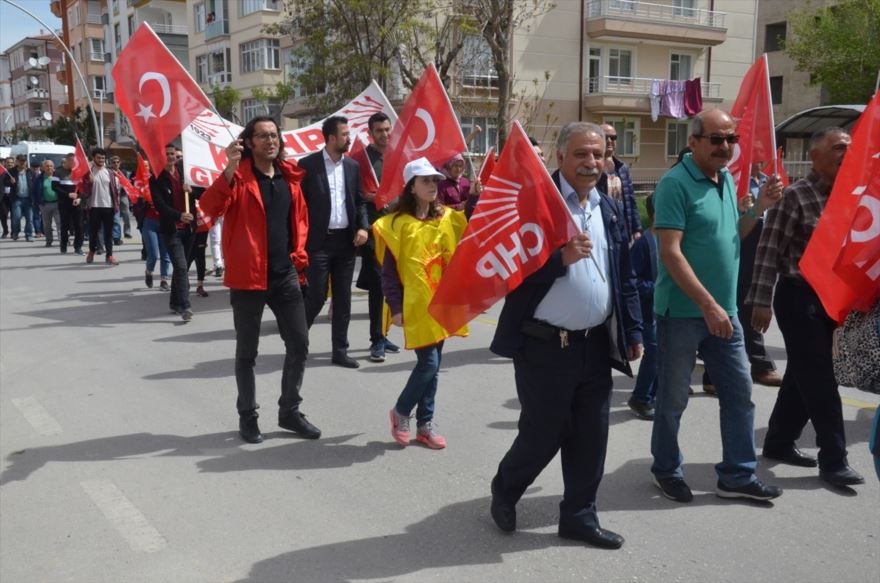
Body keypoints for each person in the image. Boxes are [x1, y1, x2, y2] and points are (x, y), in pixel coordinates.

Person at [489, 122, 643, 549]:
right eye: (581, 154)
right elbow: (509, 274)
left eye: (597, 154)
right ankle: (506, 489)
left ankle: (579, 516)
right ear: (560, 157)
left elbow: (625, 275)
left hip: (595, 343)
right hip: (544, 345)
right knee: (544, 433)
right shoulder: (535, 205)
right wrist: (559, 260)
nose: (591, 162)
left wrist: (633, 328)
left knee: (592, 435)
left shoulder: (607, 207)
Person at [649, 109, 784, 504]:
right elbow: (670, 253)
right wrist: (708, 305)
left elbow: (731, 236)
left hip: (724, 313)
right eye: (716, 139)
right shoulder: (674, 184)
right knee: (673, 400)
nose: (725, 146)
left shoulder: (723, 178)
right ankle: (666, 470)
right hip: (683, 314)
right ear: (693, 142)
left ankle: (737, 475)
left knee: (740, 394)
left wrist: (757, 209)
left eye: (731, 139)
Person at [747, 127, 864, 487]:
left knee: (802, 374)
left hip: (832, 299)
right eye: (839, 147)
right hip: (798, 298)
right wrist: (761, 300)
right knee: (821, 379)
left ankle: (779, 441)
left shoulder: (849, 197)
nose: (847, 153)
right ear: (815, 156)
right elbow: (769, 248)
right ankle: (834, 459)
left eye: (850, 147)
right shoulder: (796, 196)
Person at [200, 115, 321, 444]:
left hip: (285, 275)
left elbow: (300, 222)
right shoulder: (238, 177)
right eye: (263, 136)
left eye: (274, 135)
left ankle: (289, 411)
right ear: (249, 142)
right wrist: (229, 168)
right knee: (247, 353)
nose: (271, 141)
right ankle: (248, 416)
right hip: (248, 278)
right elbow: (210, 207)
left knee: (299, 344)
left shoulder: (289, 177)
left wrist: (299, 259)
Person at [374, 157, 468, 449]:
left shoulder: (445, 218)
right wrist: (396, 307)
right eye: (425, 180)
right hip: (416, 307)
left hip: (442, 302)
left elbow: (472, 228)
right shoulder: (396, 224)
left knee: (434, 366)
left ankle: (425, 425)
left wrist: (477, 196)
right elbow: (389, 273)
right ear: (411, 187)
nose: (432, 185)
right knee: (429, 364)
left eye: (434, 180)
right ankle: (402, 411)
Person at [299, 115, 370, 369]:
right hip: (318, 242)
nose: (349, 138)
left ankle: (340, 351)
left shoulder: (352, 166)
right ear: (331, 138)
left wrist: (363, 227)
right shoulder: (308, 165)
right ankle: (297, 343)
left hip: (346, 242)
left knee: (343, 299)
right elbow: (299, 205)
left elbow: (359, 201)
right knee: (316, 296)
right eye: (344, 134)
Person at [355, 112, 401, 363]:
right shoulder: (362, 160)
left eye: (387, 129)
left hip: (399, 231)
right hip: (375, 233)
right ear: (370, 133)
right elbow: (358, 196)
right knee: (378, 287)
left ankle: (385, 333)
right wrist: (370, 198)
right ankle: (377, 340)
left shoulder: (399, 157)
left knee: (394, 285)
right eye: (379, 130)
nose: (385, 134)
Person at [151, 144, 195, 321]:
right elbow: (160, 206)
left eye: (173, 154)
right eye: (167, 154)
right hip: (171, 230)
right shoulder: (156, 178)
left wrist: (192, 190)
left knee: (181, 268)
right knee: (181, 267)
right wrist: (179, 216)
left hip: (189, 229)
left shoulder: (185, 174)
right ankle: (185, 306)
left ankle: (175, 302)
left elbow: (200, 194)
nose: (170, 157)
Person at [627, 194, 658, 420]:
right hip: (647, 312)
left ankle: (654, 395)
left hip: (666, 310)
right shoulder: (643, 244)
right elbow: (632, 280)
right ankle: (640, 397)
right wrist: (656, 288)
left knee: (664, 354)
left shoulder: (673, 239)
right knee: (654, 353)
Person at [598, 123, 642, 244]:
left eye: (613, 137)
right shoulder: (594, 168)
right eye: (605, 137)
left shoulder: (622, 168)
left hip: (623, 228)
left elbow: (631, 200)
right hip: (603, 226)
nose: (609, 141)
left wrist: (637, 229)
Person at [81, 148, 121, 265]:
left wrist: (116, 204)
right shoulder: (88, 173)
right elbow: (84, 192)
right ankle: (91, 252)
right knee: (93, 232)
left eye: (103, 158)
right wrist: (89, 182)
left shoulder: (110, 173)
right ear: (94, 158)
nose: (101, 160)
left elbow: (116, 190)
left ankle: (109, 256)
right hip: (94, 207)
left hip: (109, 207)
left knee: (108, 233)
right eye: (98, 158)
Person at [54, 153, 84, 255]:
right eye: (71, 161)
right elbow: (55, 187)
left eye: (74, 161)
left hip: (77, 203)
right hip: (64, 203)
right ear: (66, 160)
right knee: (64, 226)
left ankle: (78, 247)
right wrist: (68, 195)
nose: (73, 163)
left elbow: (82, 188)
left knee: (79, 226)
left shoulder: (78, 172)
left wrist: (79, 198)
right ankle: (63, 246)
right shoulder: (57, 172)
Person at [8, 155, 35, 242]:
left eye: (24, 161)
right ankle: (15, 233)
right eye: (20, 161)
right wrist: (10, 182)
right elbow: (5, 182)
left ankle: (29, 235)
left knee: (29, 219)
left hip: (28, 199)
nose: (22, 162)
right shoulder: (12, 171)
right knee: (16, 217)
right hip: (17, 199)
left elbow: (35, 183)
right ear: (17, 161)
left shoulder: (30, 171)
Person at [34, 160, 60, 248]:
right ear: (43, 168)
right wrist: (38, 203)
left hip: (57, 203)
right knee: (47, 225)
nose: (49, 168)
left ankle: (62, 240)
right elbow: (34, 191)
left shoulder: (57, 177)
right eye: (47, 166)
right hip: (45, 204)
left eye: (51, 166)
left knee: (59, 223)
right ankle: (49, 241)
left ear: (54, 167)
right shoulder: (39, 178)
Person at [109, 155, 132, 241]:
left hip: (122, 195)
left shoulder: (123, 172)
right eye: (114, 162)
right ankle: (116, 235)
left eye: (117, 162)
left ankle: (127, 231)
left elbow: (127, 182)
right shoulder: (109, 172)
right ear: (111, 163)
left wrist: (124, 185)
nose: (116, 164)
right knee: (115, 217)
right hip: (113, 195)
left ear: (120, 163)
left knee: (126, 214)